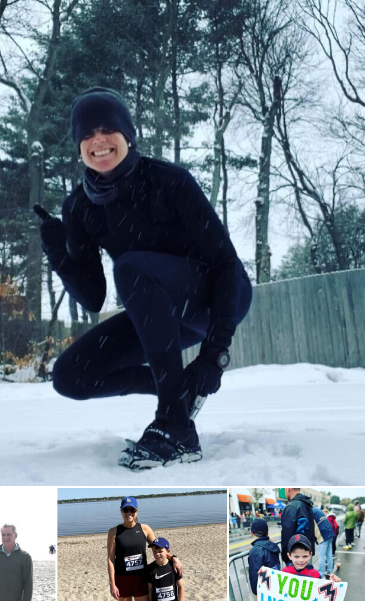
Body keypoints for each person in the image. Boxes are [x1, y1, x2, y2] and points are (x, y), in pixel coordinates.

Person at [35, 86, 252, 469]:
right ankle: (177, 391)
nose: (98, 140)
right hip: (156, 311)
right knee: (71, 377)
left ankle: (175, 423)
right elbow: (92, 296)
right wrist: (59, 256)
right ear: (78, 147)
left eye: (107, 129)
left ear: (128, 135)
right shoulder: (80, 207)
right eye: (87, 134)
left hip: (214, 297)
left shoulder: (170, 181)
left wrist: (214, 355)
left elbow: (227, 265)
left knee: (130, 266)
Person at [107, 496, 183, 601]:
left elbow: (159, 550)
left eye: (132, 510)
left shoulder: (145, 529)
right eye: (125, 510)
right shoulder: (114, 532)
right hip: (122, 580)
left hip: (142, 579)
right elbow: (111, 559)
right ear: (121, 511)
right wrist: (112, 584)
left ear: (137, 511)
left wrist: (174, 558)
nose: (129, 513)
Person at [280, 489, 315, 565]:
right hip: (305, 554)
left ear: (288, 489)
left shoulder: (291, 507)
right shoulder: (307, 505)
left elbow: (287, 535)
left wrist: (286, 557)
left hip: (294, 557)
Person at [248, 519, 280, 595]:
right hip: (275, 585)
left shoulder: (255, 551)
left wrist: (255, 592)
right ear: (267, 533)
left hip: (264, 590)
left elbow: (255, 574)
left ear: (251, 533)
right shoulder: (273, 545)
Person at [311, 507, 335, 578]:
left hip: (323, 536)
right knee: (329, 555)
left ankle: (321, 573)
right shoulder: (318, 510)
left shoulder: (310, 512)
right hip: (330, 534)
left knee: (321, 557)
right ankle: (330, 571)